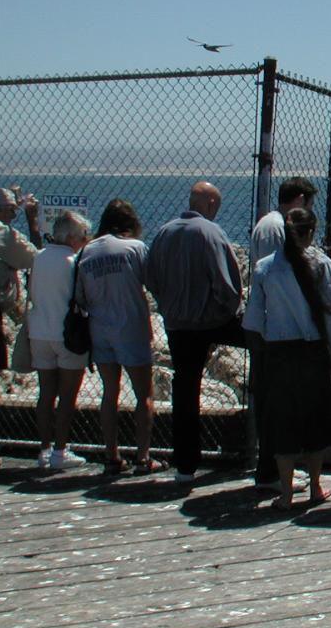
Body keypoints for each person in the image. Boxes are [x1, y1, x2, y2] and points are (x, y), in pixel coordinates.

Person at [145, 181, 245, 484]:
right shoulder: (211, 232)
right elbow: (227, 284)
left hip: (177, 324)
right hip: (210, 321)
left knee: (185, 389)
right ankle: (260, 449)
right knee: (261, 347)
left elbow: (151, 277)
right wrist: (227, 311)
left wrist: (170, 306)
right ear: (212, 205)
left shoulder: (164, 232)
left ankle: (185, 465)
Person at [244, 208, 331, 510]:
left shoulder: (264, 268)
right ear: (311, 232)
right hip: (312, 352)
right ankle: (315, 486)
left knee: (282, 422)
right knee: (315, 420)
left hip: (279, 354)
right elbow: (330, 315)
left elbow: (253, 319)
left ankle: (285, 493)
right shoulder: (321, 265)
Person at [76, 199, 164, 474]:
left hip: (100, 328)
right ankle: (143, 456)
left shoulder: (86, 251)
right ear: (131, 224)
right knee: (143, 395)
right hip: (131, 326)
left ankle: (111, 455)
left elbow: (79, 296)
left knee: (109, 392)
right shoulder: (135, 248)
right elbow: (154, 282)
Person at [247, 175, 318, 490]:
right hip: (284, 334)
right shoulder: (281, 229)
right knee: (282, 407)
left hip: (268, 330)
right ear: (301, 199)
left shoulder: (266, 222)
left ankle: (271, 468)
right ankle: (275, 472)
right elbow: (285, 277)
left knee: (269, 402)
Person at [28, 211, 91, 471]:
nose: (85, 241)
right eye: (83, 236)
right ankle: (60, 450)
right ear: (72, 237)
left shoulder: (38, 257)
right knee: (67, 395)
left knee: (45, 394)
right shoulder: (73, 262)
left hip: (39, 331)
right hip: (66, 334)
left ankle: (44, 448)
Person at [0, 186, 42, 372]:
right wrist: (32, 220)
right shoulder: (3, 234)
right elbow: (35, 257)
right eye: (11, 211)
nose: (13, 216)